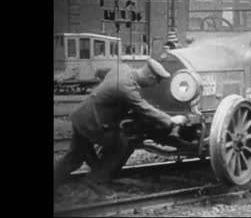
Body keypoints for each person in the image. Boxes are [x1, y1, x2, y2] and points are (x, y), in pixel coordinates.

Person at [54, 58, 187, 197]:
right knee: (123, 143)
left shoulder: (121, 69)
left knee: (73, 158)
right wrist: (170, 119)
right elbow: (144, 108)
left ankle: (94, 175)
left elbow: (101, 72)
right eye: (156, 81)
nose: (154, 85)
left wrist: (105, 93)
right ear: (150, 77)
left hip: (81, 116)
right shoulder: (127, 88)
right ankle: (95, 181)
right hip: (93, 123)